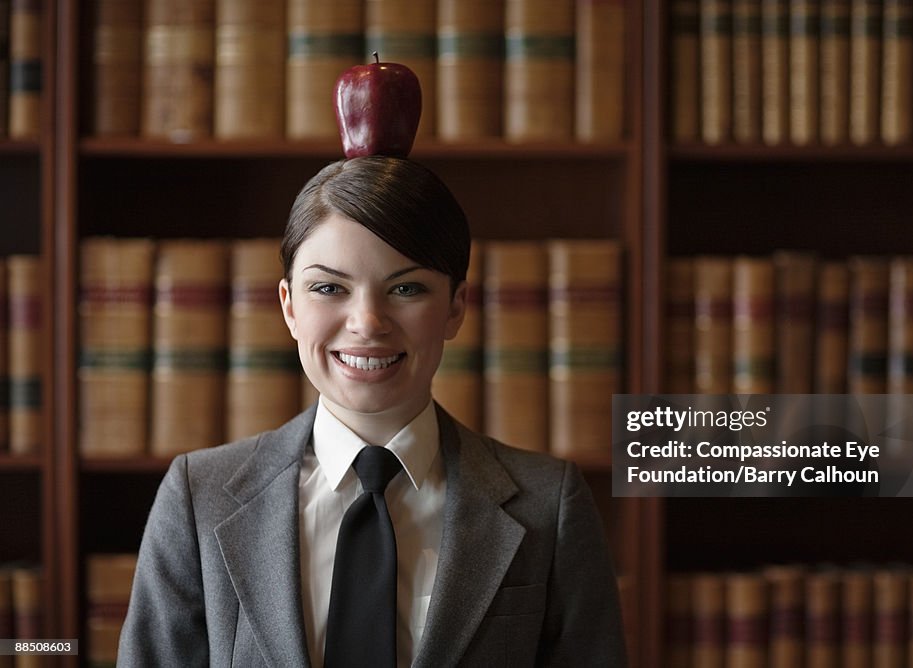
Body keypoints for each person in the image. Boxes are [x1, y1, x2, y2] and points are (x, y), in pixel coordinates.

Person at [117, 156, 627, 667]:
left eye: (406, 288)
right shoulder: (197, 498)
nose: (367, 322)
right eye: (329, 288)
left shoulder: (549, 504)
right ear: (289, 305)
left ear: (454, 307)